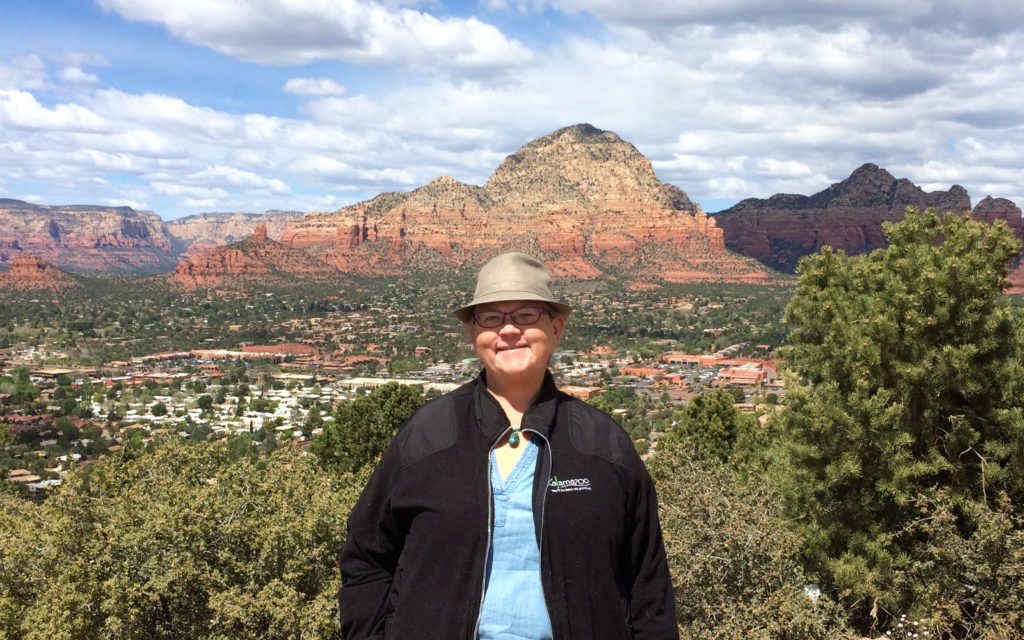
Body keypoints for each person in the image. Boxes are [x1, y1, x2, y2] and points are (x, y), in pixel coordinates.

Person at [339, 252, 678, 640]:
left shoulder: (605, 447)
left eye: (526, 314)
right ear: (473, 332)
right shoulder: (425, 437)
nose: (509, 329)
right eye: (491, 317)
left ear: (556, 328)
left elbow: (649, 590)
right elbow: (366, 558)